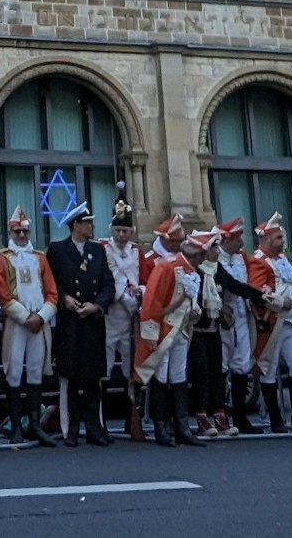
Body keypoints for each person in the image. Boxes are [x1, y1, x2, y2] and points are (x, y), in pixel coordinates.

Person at [188, 225, 263, 440]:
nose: (216, 251)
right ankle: (202, 417)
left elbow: (236, 286)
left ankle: (221, 417)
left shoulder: (216, 269)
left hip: (214, 329)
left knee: (216, 372)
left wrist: (261, 297)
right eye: (213, 248)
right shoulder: (194, 270)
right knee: (202, 375)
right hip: (197, 330)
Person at [0, 205, 59, 446]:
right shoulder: (1, 257)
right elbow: (1, 292)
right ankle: (15, 425)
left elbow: (52, 292)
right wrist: (24, 317)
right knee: (13, 371)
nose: (21, 235)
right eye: (17, 232)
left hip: (38, 322)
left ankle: (34, 424)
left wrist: (41, 316)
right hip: (16, 322)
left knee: (35, 370)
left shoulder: (40, 258)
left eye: (25, 232)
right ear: (10, 233)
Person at [48, 202, 113, 446]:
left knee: (92, 378)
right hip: (70, 321)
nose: (91, 227)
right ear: (76, 225)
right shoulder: (58, 250)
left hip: (92, 320)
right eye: (87, 223)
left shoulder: (98, 251)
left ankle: (95, 428)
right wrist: (64, 298)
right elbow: (51, 282)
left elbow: (108, 284)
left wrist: (97, 306)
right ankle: (71, 428)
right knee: (71, 378)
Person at [135, 218, 203, 447]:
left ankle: (181, 426)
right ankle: (160, 426)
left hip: (181, 328)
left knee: (179, 376)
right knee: (161, 377)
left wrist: (194, 311)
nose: (180, 245)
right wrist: (150, 334)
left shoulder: (185, 267)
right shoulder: (163, 265)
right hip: (164, 330)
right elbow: (151, 303)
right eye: (177, 241)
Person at [246, 212, 292, 433]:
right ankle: (276, 419)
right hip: (272, 323)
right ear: (266, 238)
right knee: (268, 370)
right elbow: (257, 293)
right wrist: (279, 301)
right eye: (278, 238)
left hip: (289, 323)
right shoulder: (258, 261)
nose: (282, 241)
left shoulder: (282, 258)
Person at [100, 191, 142, 410]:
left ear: (131, 231)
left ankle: (130, 415)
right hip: (110, 315)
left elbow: (145, 279)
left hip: (131, 317)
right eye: (117, 230)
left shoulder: (137, 252)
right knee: (104, 366)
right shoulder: (102, 249)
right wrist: (121, 296)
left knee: (130, 365)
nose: (120, 235)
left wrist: (140, 292)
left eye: (125, 231)